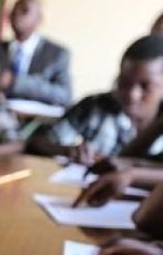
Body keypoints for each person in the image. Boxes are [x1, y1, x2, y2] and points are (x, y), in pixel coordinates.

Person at [27, 35, 163, 163]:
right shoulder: (95, 107)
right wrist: (67, 151)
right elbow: (38, 141)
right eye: (124, 82)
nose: (132, 94)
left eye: (146, 87)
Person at [0, 0, 72, 107]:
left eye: (25, 11)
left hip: (37, 120)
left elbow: (64, 96)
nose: (16, 14)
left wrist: (17, 82)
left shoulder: (57, 53)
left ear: (39, 20)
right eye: (14, 10)